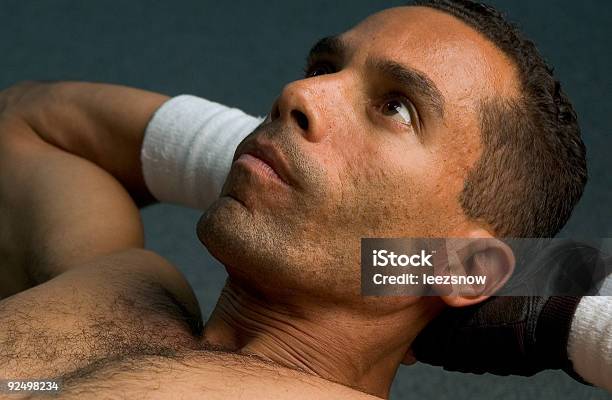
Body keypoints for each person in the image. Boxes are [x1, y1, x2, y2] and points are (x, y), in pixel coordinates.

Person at [0, 1, 609, 398]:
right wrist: (267, 168)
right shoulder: (123, 283)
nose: (299, 91)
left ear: (469, 265)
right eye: (323, 67)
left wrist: (559, 324)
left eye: (396, 106)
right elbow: (27, 122)